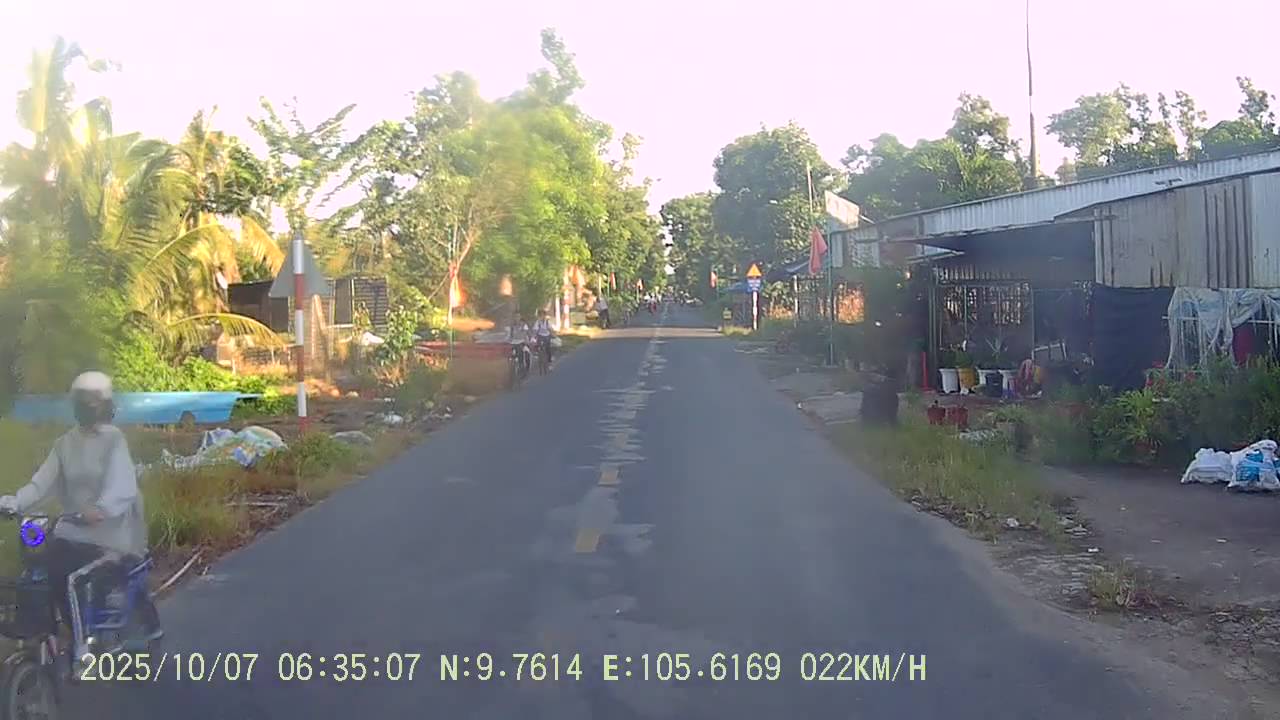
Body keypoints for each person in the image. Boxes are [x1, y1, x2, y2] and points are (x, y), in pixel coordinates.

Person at [0, 371, 161, 655]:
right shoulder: (64, 444)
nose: (86, 405)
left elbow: (122, 484)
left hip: (110, 534)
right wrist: (14, 502)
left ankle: (81, 646)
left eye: (92, 400)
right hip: (73, 530)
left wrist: (102, 508)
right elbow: (40, 484)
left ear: (104, 404)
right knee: (39, 569)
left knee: (71, 577)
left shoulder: (114, 440)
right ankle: (49, 632)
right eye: (81, 399)